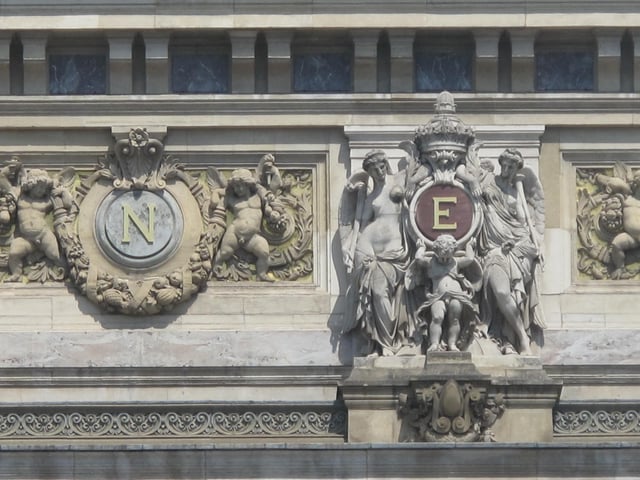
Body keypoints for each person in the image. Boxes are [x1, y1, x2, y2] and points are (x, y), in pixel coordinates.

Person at [340, 149, 415, 356]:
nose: (379, 171)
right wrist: (350, 246)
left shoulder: (399, 179)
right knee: (372, 293)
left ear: (386, 164)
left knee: (381, 291)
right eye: (373, 169)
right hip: (368, 246)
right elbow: (360, 224)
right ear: (369, 172)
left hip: (394, 249)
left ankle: (390, 341)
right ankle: (379, 342)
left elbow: (418, 172)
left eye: (381, 166)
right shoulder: (369, 194)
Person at [479, 149, 545, 355]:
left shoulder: (520, 191)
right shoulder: (489, 183)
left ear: (518, 168)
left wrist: (534, 243)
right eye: (504, 165)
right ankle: (520, 337)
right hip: (493, 247)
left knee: (515, 294)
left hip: (519, 245)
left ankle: (511, 339)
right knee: (500, 291)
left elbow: (527, 224)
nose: (506, 170)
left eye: (511, 166)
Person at [413, 235, 478, 352]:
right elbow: (418, 259)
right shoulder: (431, 263)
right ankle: (434, 343)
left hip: (456, 295)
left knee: (455, 319)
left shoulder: (455, 262)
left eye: (448, 258)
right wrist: (421, 248)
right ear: (436, 252)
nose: (445, 260)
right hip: (438, 296)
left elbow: (469, 259)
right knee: (437, 317)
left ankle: (452, 344)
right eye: (442, 258)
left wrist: (469, 246)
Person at [214, 168, 280, 282]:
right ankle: (214, 270)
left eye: (241, 186)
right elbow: (215, 201)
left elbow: (271, 193)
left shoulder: (258, 197)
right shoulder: (231, 199)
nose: (238, 189)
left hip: (252, 237)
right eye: (235, 186)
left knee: (264, 253)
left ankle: (261, 275)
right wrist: (215, 192)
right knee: (225, 252)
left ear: (248, 185)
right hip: (235, 231)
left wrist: (272, 213)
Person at [6, 169, 65, 281]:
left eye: (44, 188)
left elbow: (66, 204)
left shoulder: (46, 201)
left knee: (55, 257)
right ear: (31, 185)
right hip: (26, 238)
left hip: (43, 235)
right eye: (40, 187)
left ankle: (67, 271)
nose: (42, 190)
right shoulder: (20, 198)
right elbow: (13, 192)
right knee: (13, 253)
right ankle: (16, 274)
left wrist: (62, 191)